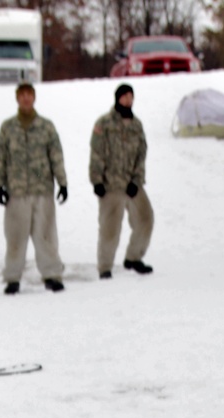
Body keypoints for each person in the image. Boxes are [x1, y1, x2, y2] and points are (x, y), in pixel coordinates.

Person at [0, 83, 68, 294]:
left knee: (46, 235)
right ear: (17, 98)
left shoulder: (46, 126)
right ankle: (12, 278)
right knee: (15, 237)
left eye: (29, 95)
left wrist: (62, 182)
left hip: (42, 189)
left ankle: (52, 274)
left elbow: (56, 156)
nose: (26, 99)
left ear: (34, 98)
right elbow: (0, 158)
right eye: (22, 95)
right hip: (16, 192)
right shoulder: (7, 128)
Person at [90, 85, 153, 279]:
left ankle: (133, 257)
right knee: (110, 228)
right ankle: (105, 267)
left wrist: (137, 179)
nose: (128, 100)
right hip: (111, 184)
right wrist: (97, 180)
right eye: (124, 96)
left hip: (132, 184)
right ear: (117, 98)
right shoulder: (104, 123)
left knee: (145, 218)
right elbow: (96, 152)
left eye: (130, 96)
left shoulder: (136, 125)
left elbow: (142, 153)